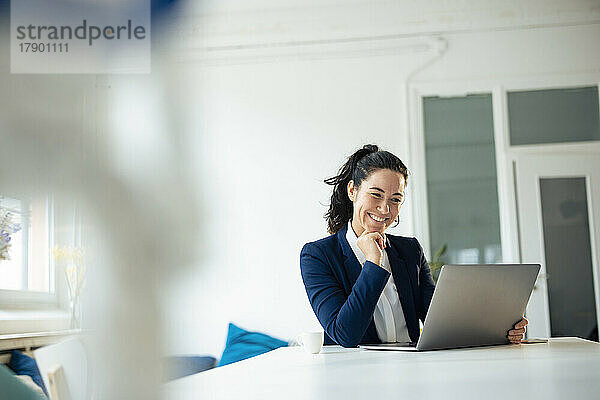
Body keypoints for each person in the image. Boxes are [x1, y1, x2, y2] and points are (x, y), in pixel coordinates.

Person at [300, 144, 528, 347]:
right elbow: (345, 334)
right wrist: (373, 262)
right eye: (376, 195)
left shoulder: (409, 250)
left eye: (395, 199)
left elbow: (438, 319)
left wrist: (500, 329)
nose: (385, 209)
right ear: (352, 190)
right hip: (355, 374)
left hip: (410, 369)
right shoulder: (318, 255)